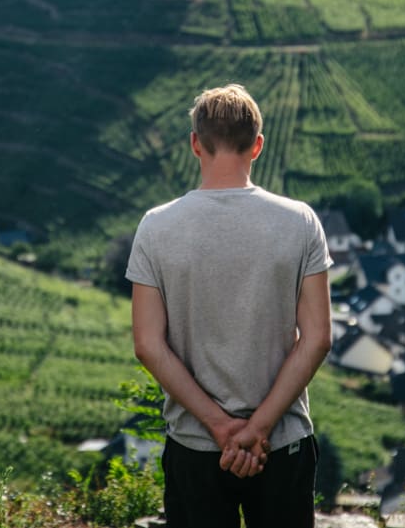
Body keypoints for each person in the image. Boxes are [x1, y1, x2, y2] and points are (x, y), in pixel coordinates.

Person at [126, 83, 333, 528]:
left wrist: (219, 427)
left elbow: (147, 345)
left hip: (195, 447)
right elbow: (317, 339)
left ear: (194, 144)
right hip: (283, 444)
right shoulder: (300, 222)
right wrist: (258, 429)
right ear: (257, 146)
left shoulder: (156, 227)